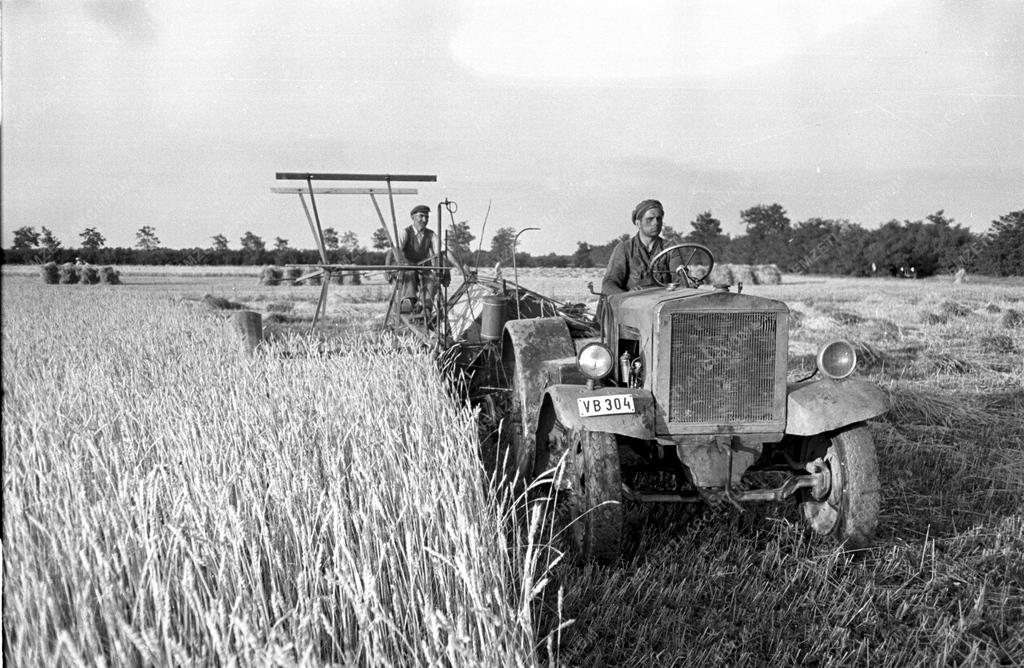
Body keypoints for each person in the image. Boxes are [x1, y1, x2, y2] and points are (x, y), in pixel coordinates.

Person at [601, 199, 682, 295]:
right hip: (633, 304)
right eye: (650, 219)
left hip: (663, 302)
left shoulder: (670, 249)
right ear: (638, 223)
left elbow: (680, 280)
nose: (656, 223)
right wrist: (625, 295)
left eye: (659, 218)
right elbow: (609, 283)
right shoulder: (624, 249)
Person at [387, 204, 449, 314]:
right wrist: (387, 269)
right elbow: (394, 250)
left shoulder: (431, 235)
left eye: (427, 217)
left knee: (431, 277)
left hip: (422, 268)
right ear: (413, 217)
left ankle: (426, 307)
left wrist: (446, 270)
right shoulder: (405, 232)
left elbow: (442, 252)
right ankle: (409, 302)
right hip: (407, 268)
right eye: (421, 216)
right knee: (410, 273)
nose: (424, 220)